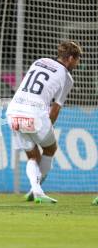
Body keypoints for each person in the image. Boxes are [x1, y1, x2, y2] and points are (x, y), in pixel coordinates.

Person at [6, 41, 82, 204]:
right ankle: (38, 189)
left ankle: (35, 189)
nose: (78, 63)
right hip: (35, 114)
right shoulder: (67, 77)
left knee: (33, 156)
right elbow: (55, 109)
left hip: (13, 110)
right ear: (70, 58)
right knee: (50, 148)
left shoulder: (39, 61)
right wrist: (47, 128)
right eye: (77, 60)